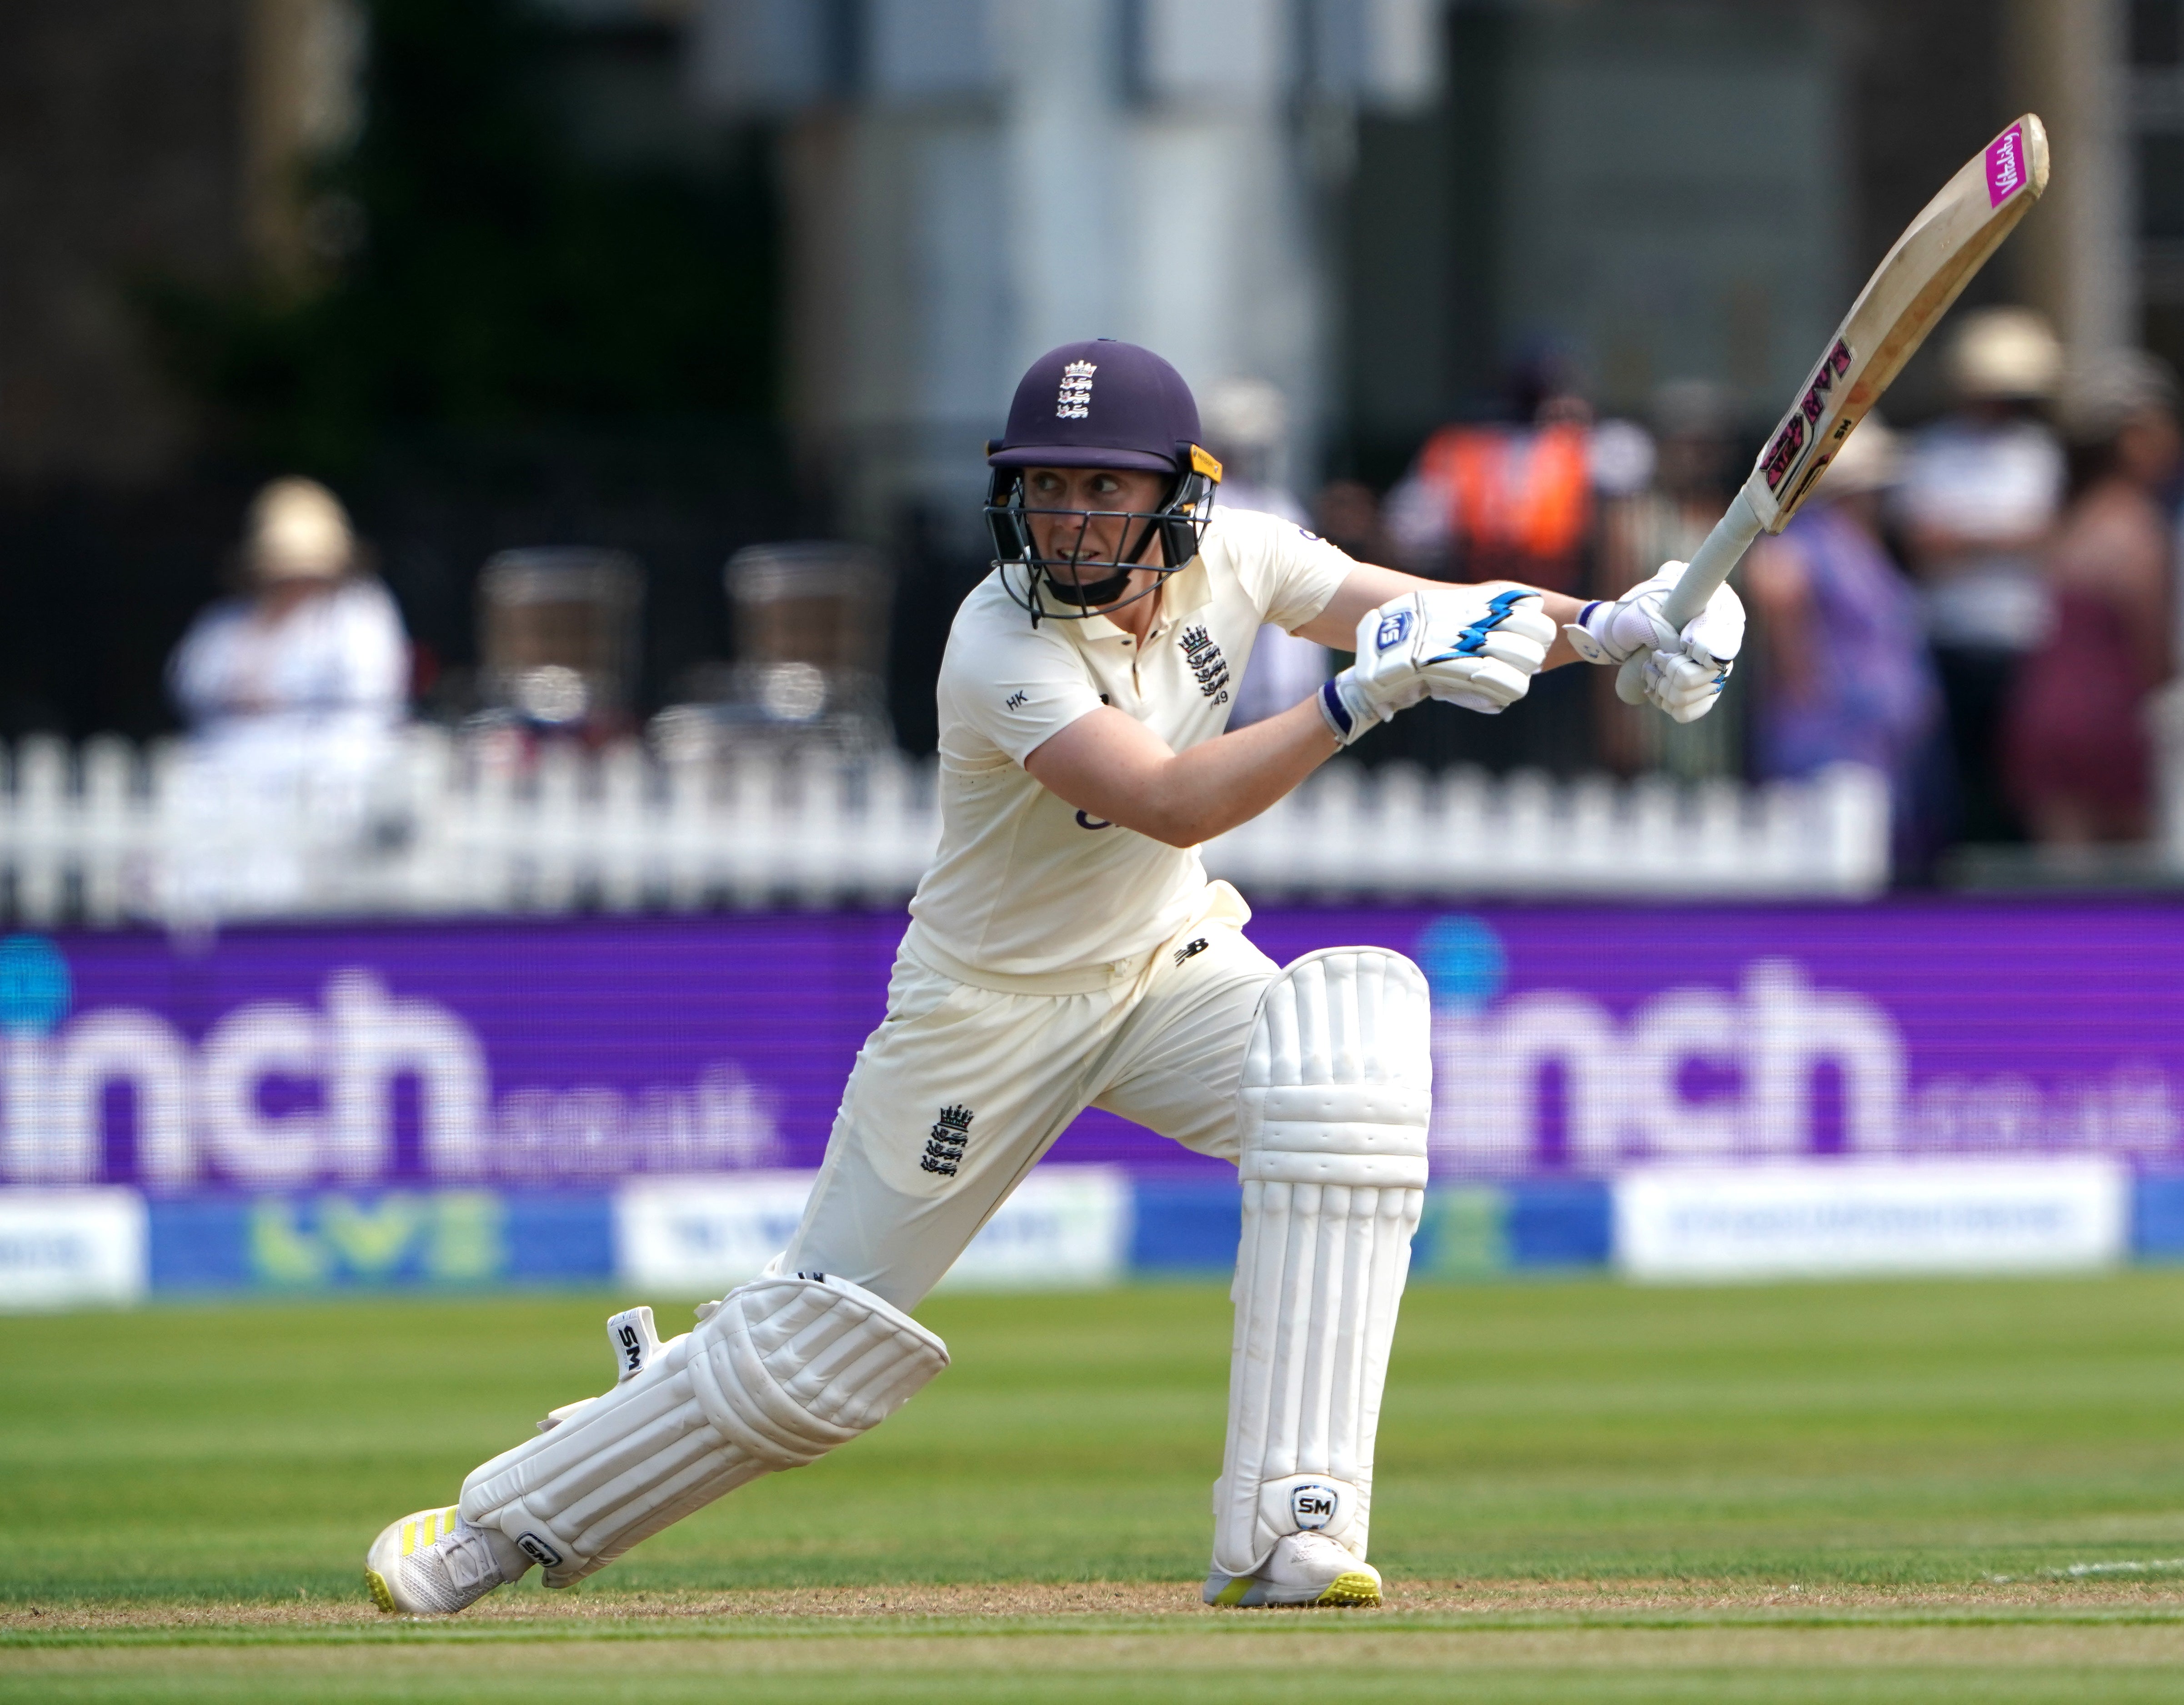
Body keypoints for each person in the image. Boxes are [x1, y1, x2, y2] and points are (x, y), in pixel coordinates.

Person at [362, 340, 1743, 1616]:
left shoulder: (1243, 556)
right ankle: (499, 1519)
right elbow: (1166, 800)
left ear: (1175, 498)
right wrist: (1351, 699)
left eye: (1101, 487)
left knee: (1350, 1067)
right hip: (984, 1012)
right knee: (810, 1354)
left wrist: (1614, 629)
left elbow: (1436, 607)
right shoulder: (994, 643)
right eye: (1045, 488)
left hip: (1166, 966)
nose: (1070, 517)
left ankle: (1285, 1527)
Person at [1892, 307, 2066, 843]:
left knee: (2017, 769)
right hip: (1948, 635)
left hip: (2021, 636)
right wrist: (2003, 539)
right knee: (1956, 774)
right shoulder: (1933, 449)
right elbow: (1923, 543)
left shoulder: (2039, 454)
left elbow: (2045, 540)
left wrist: (1966, 539)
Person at [1742, 416, 1944, 873]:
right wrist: (1816, 702)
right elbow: (1781, 615)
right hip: (1831, 746)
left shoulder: (1862, 543)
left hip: (1879, 748)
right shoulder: (1804, 542)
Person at [2003, 352, 2183, 845]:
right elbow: (2151, 648)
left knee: (2064, 880)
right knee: (2127, 891)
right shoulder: (2136, 525)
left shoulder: (2071, 517)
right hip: (2109, 715)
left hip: (2043, 709)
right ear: (2129, 439)